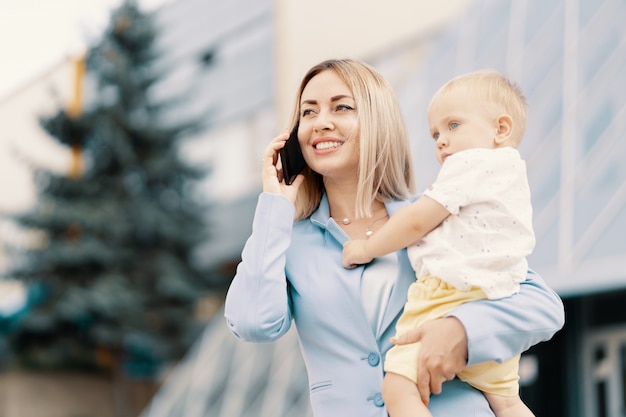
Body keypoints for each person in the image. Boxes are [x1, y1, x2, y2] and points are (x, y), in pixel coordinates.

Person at [224, 59, 564, 417]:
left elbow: (543, 307)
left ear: (377, 121)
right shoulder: (288, 242)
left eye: (342, 107)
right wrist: (273, 209)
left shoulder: (434, 213)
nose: (321, 122)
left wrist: (460, 331)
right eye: (308, 112)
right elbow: (252, 323)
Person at [342, 70, 537, 417]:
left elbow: (417, 220)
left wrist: (365, 248)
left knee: (398, 387)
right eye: (435, 134)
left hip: (446, 297)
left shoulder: (469, 165)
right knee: (507, 401)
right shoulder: (511, 174)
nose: (441, 141)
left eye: (453, 126)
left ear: (501, 129)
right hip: (497, 299)